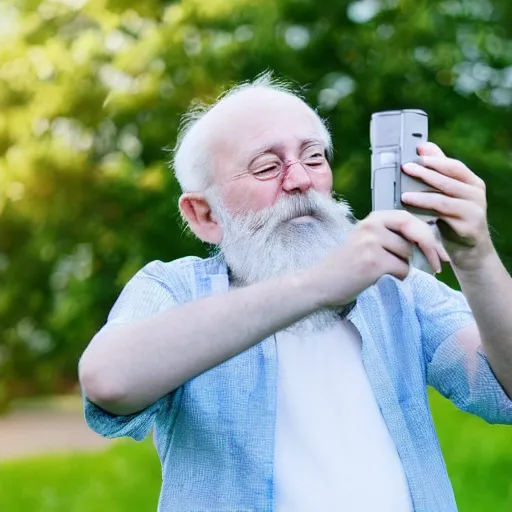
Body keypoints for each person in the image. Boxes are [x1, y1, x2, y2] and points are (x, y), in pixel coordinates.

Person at [79, 73, 512, 512]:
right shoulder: (174, 289)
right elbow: (109, 381)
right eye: (268, 166)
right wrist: (318, 284)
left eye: (314, 157)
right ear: (204, 214)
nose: (300, 179)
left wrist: (475, 258)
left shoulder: (396, 287)